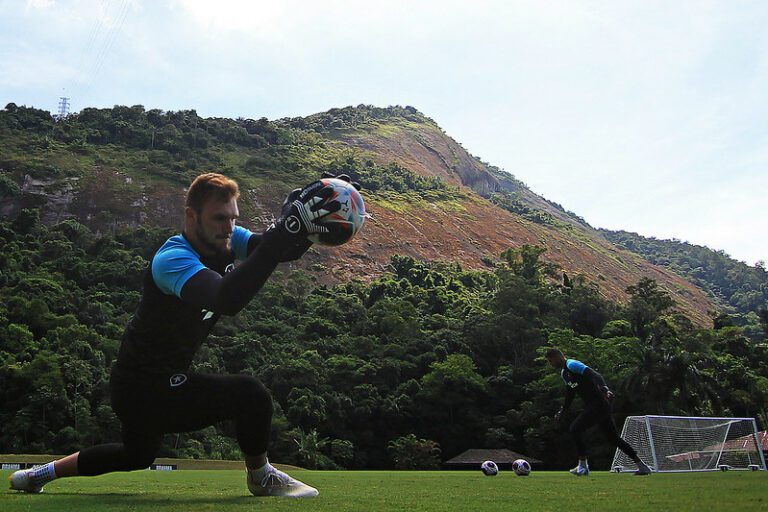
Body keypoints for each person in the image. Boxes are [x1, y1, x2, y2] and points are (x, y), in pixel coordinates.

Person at [9, 172, 351, 497]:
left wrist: (308, 225)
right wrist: (285, 232)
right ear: (191, 216)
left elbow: (277, 250)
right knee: (251, 394)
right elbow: (226, 298)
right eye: (219, 218)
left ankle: (39, 474)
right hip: (138, 387)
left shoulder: (230, 238)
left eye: (233, 218)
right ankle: (261, 478)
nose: (229, 228)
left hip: (171, 380)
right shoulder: (172, 259)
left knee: (137, 455)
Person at [545, 347, 652, 476]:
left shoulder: (572, 365)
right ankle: (642, 466)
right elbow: (570, 393)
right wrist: (563, 410)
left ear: (557, 357)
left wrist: (605, 389)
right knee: (613, 439)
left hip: (599, 403)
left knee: (575, 428)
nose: (551, 364)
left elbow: (594, 374)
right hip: (596, 406)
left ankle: (583, 466)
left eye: (551, 361)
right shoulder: (564, 374)